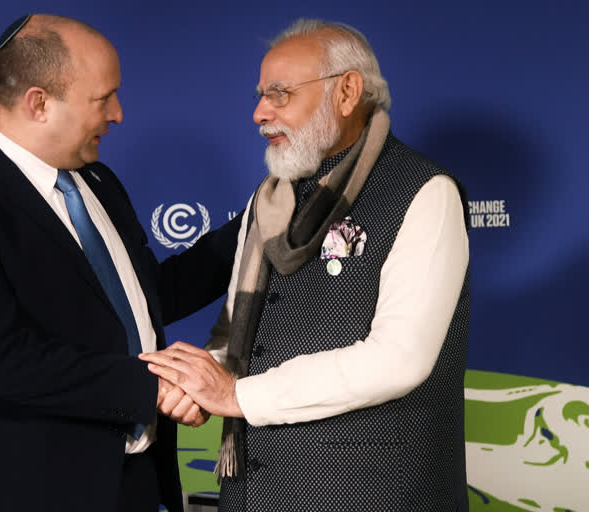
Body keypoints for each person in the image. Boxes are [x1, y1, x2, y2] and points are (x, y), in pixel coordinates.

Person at [0, 14, 240, 512]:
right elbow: (0, 360)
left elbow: (144, 299)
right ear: (39, 103)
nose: (119, 113)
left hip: (128, 484)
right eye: (103, 99)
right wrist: (158, 388)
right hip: (20, 490)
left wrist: (257, 224)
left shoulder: (98, 181)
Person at [140, 18, 470, 511]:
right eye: (259, 94)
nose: (258, 112)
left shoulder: (423, 192)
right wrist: (202, 382)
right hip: (255, 490)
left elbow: (399, 358)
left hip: (372, 494)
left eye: (279, 94)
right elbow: (242, 329)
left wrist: (236, 396)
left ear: (347, 92)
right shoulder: (268, 200)